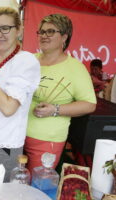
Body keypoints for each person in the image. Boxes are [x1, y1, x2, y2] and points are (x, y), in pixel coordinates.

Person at [0, 7, 41, 184]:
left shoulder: (25, 61)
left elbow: (8, 107)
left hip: (3, 145)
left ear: (19, 30)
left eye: (5, 28)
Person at [24, 14, 96, 172]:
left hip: (47, 139)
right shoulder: (29, 61)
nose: (44, 36)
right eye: (41, 32)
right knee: (15, 183)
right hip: (15, 135)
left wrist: (55, 110)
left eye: (50, 31)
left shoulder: (76, 68)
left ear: (64, 37)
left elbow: (89, 104)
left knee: (36, 188)